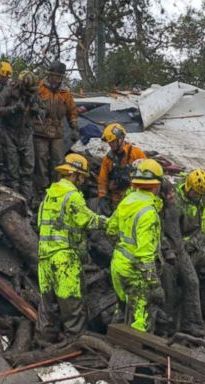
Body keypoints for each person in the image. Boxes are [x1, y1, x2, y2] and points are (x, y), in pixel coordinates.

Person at [35, 153, 106, 345]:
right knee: (72, 306)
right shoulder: (73, 196)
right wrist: (114, 223)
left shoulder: (49, 196)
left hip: (44, 258)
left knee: (47, 306)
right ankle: (74, 349)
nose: (83, 181)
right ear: (74, 175)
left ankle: (44, 343)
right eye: (81, 177)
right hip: (64, 258)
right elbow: (89, 220)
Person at [105, 159, 164, 332]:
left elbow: (110, 229)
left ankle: (115, 343)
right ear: (156, 185)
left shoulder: (127, 200)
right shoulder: (148, 213)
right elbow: (145, 257)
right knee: (141, 323)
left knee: (123, 310)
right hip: (134, 273)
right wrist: (154, 285)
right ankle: (129, 357)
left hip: (118, 266)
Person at [174, 169, 205, 318]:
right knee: (188, 279)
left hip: (198, 247)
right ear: (188, 188)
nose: (199, 197)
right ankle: (183, 314)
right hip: (180, 249)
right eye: (196, 194)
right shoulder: (177, 203)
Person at [160, 179, 204, 337]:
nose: (172, 195)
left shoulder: (175, 208)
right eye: (169, 193)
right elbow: (158, 234)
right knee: (169, 291)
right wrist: (167, 251)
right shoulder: (158, 211)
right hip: (166, 255)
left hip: (180, 250)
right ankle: (166, 328)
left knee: (192, 282)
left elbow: (182, 228)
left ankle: (192, 323)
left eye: (173, 192)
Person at [0, 70, 45, 200]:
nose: (30, 92)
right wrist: (14, 109)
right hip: (9, 133)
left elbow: (44, 110)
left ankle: (27, 202)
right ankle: (15, 201)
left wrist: (37, 110)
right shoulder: (8, 91)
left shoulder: (34, 94)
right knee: (12, 170)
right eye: (28, 90)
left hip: (26, 133)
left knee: (28, 169)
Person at [33, 61, 78, 199]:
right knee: (41, 160)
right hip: (40, 130)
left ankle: (57, 188)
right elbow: (30, 104)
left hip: (58, 131)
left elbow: (72, 111)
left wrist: (74, 127)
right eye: (54, 76)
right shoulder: (39, 88)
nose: (56, 79)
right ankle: (42, 191)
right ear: (49, 75)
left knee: (58, 160)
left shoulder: (65, 92)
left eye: (59, 76)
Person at [97, 123, 146, 216]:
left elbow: (147, 174)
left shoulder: (136, 154)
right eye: (109, 142)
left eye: (113, 142)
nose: (110, 145)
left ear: (121, 138)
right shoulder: (107, 160)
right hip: (117, 201)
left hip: (135, 200)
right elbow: (102, 181)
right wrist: (102, 198)